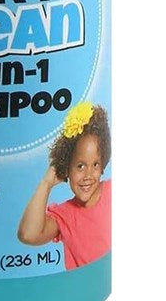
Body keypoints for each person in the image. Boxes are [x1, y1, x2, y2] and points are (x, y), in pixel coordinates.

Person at [16, 102, 111, 270]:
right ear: (67, 168)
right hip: (79, 284)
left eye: (95, 164)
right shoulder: (65, 216)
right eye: (80, 166)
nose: (88, 176)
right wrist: (46, 183)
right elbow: (28, 235)